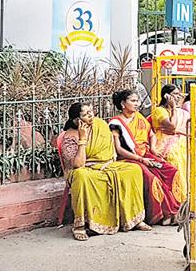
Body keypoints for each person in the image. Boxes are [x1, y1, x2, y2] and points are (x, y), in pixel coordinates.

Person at [57, 102, 150, 241]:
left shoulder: (99, 125)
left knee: (134, 170)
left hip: (106, 166)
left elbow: (109, 152)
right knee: (81, 176)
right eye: (85, 114)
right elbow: (78, 164)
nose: (91, 115)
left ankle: (133, 220)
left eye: (91, 111)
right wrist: (82, 139)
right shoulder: (69, 137)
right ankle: (80, 226)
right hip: (85, 169)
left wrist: (107, 163)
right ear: (76, 120)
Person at [108, 90, 182, 225]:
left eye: (137, 101)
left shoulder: (139, 117)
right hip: (129, 158)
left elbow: (152, 134)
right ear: (123, 104)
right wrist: (141, 159)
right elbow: (119, 149)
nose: (137, 104)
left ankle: (174, 210)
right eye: (133, 101)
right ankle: (162, 215)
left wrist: (153, 149)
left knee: (170, 170)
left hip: (147, 154)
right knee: (152, 178)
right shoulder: (115, 123)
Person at [150, 84, 196, 200]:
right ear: (166, 96)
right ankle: (180, 196)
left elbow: (185, 129)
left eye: (180, 94)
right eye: (175, 94)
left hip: (181, 139)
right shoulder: (159, 111)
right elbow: (172, 126)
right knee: (179, 159)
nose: (179, 97)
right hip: (165, 142)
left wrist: (176, 129)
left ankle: (195, 192)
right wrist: (173, 108)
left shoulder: (181, 112)